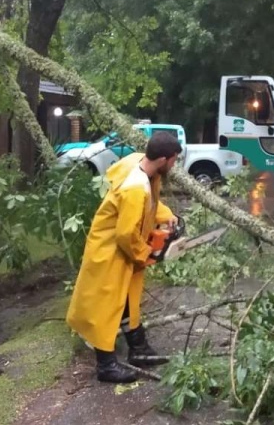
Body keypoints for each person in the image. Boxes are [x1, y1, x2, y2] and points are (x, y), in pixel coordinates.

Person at [66, 131, 182, 383]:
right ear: (163, 159)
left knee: (129, 300)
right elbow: (126, 234)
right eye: (174, 160)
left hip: (121, 247)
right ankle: (106, 366)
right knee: (107, 306)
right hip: (110, 249)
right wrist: (146, 254)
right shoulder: (135, 189)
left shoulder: (139, 162)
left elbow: (149, 204)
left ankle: (138, 349)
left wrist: (167, 216)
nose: (174, 165)